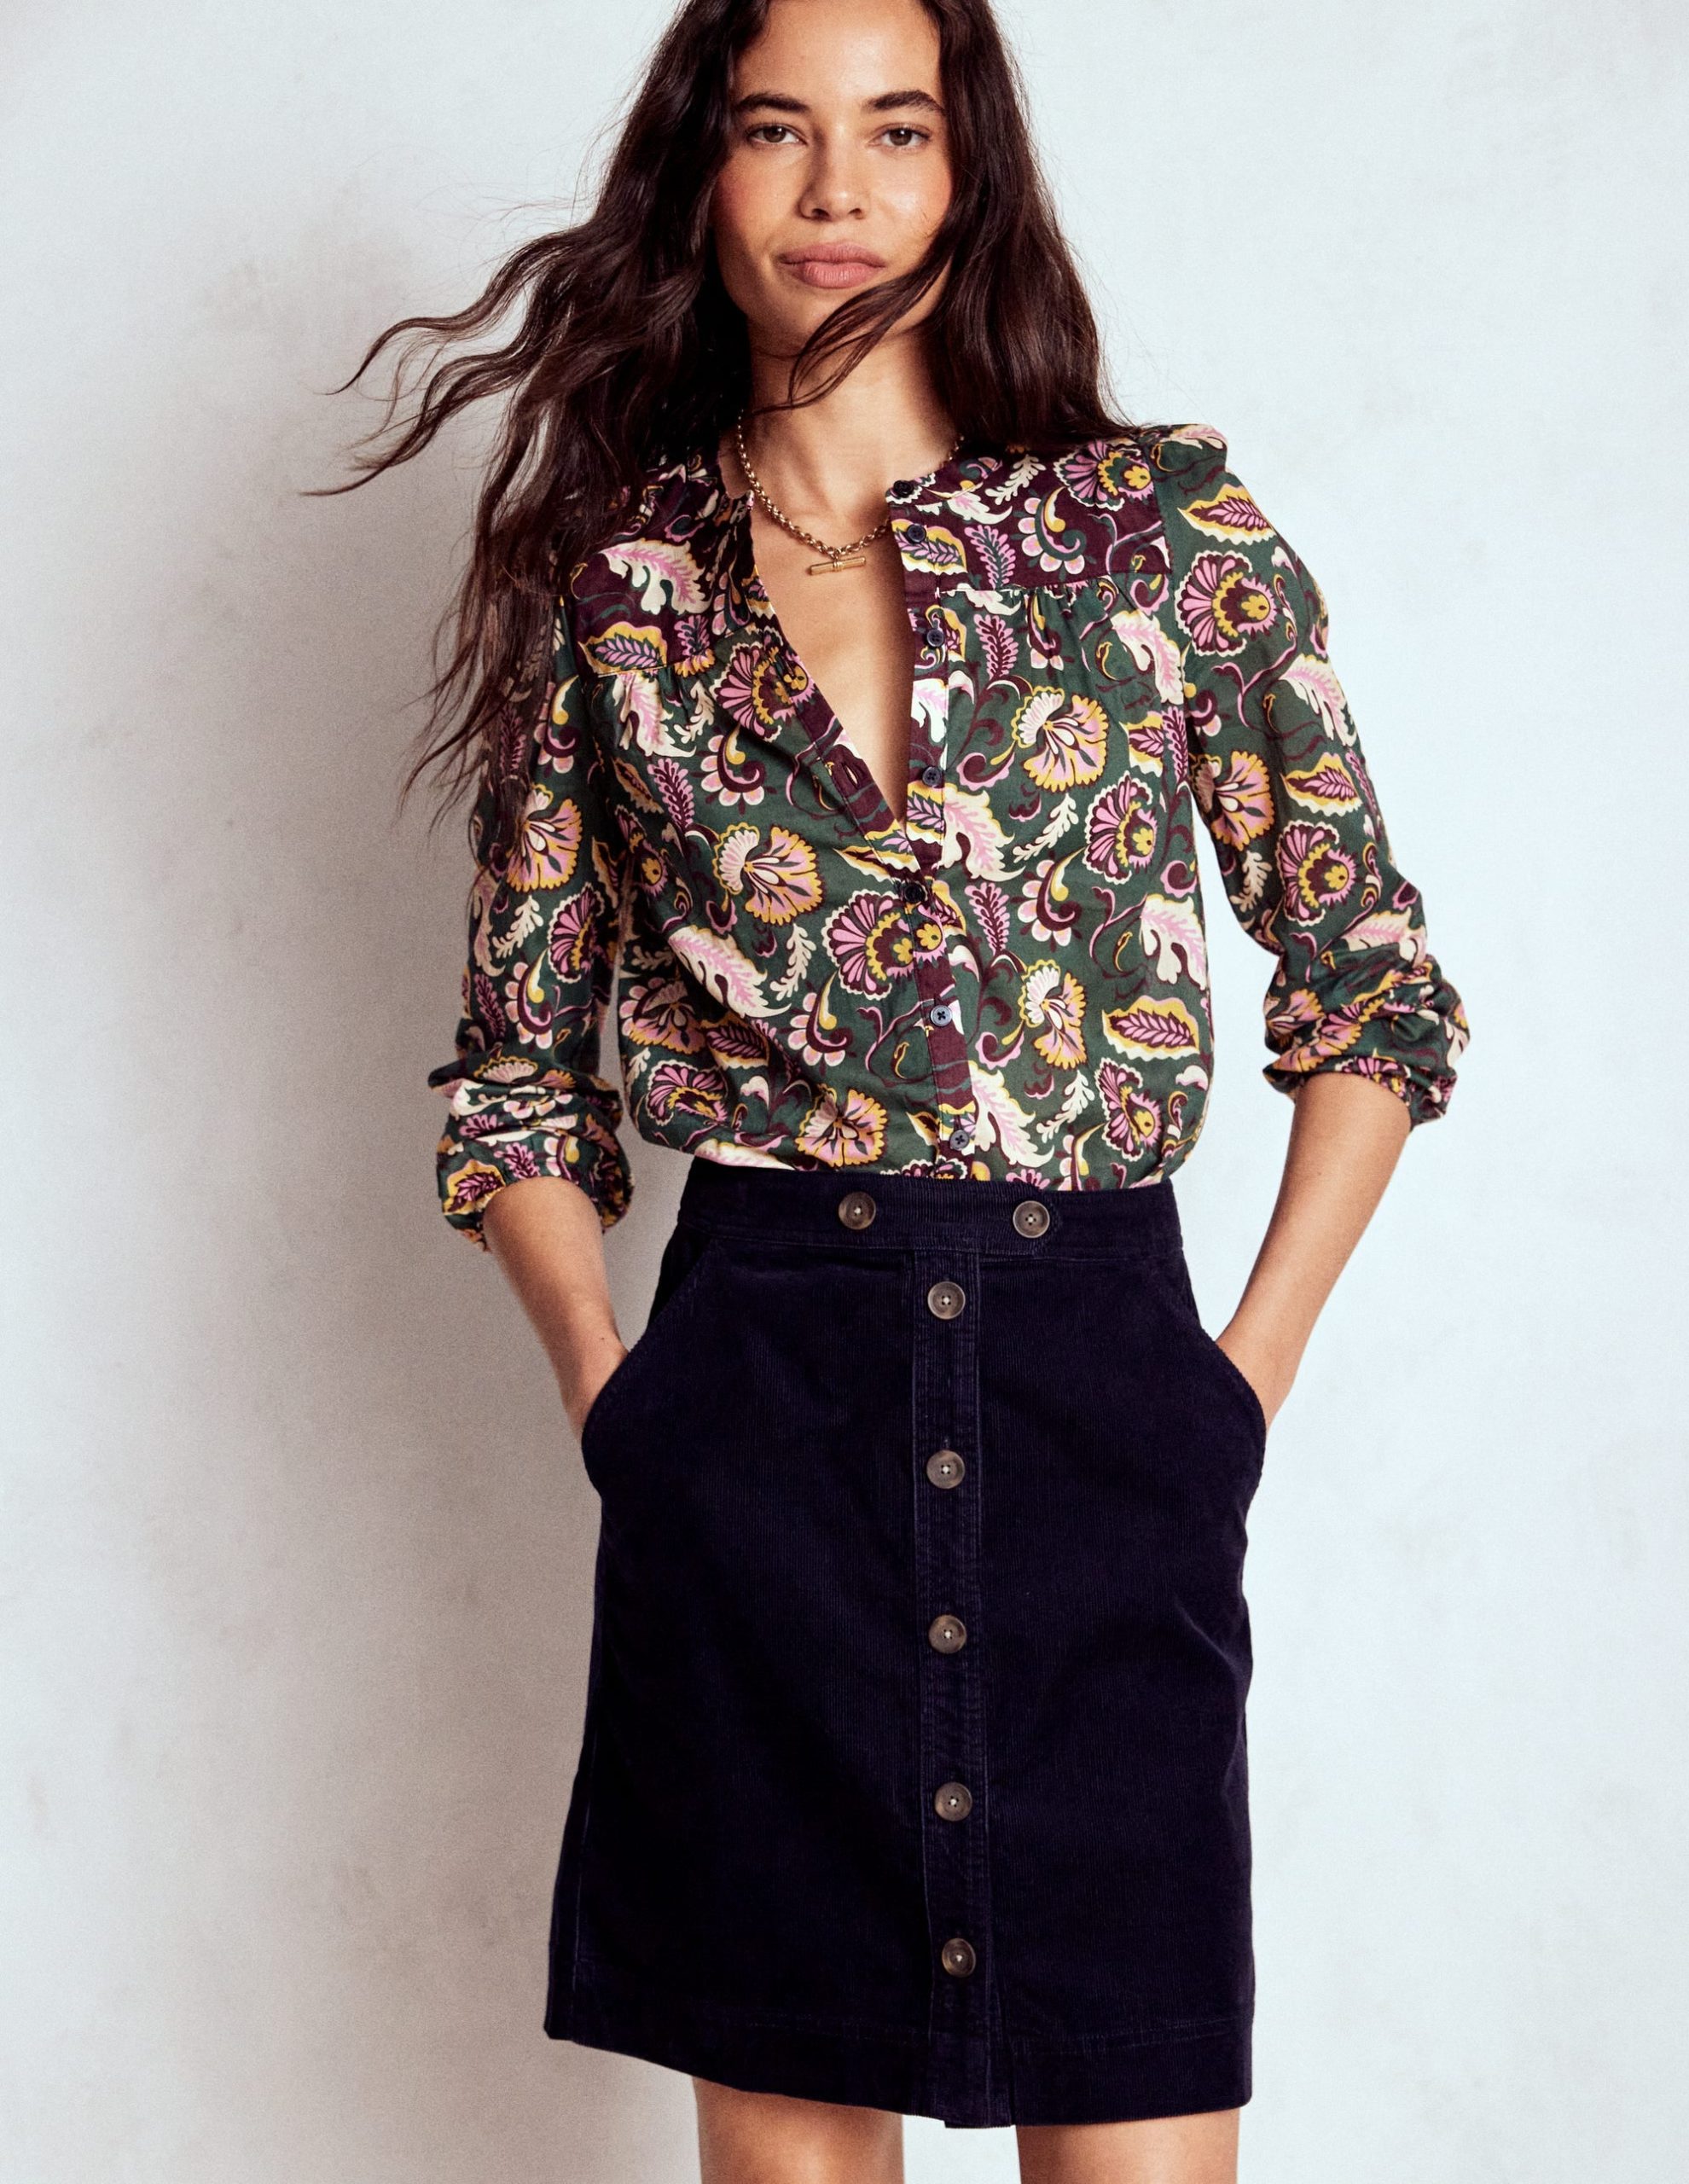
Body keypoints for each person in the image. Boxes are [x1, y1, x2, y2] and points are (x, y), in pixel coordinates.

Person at [330, 0, 1467, 2176]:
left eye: (896, 131)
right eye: (778, 130)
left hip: (1100, 1402)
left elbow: (1369, 984)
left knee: (1139, 2119)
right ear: (704, 173)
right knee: (789, 2144)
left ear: (969, 172)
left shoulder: (1158, 532)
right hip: (761, 1418)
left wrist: (1235, 1385)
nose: (839, 189)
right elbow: (517, 1076)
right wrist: (616, 1398)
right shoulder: (620, 592)